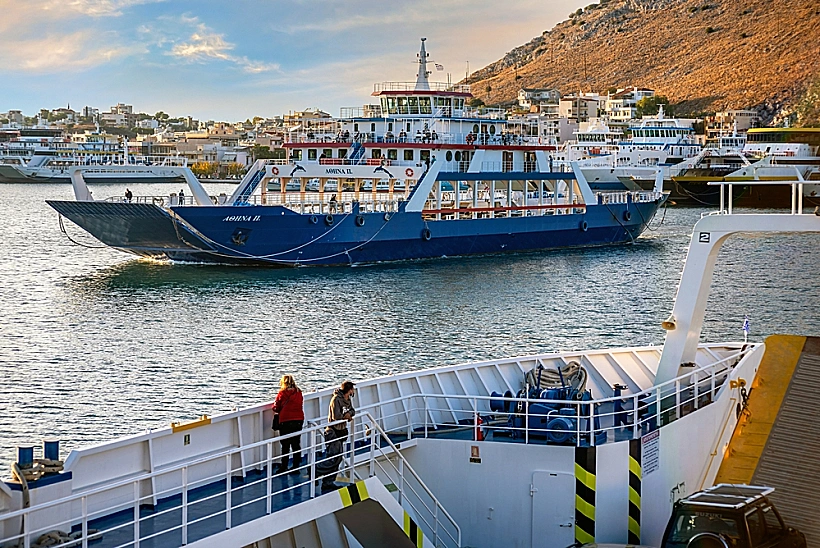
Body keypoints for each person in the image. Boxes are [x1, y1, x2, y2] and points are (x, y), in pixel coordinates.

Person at [318, 380, 355, 490]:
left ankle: (328, 482)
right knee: (333, 458)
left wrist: (349, 414)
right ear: (349, 390)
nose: (353, 391)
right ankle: (315, 470)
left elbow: (353, 411)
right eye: (352, 389)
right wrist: (346, 416)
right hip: (333, 431)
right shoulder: (336, 400)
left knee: (338, 459)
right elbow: (336, 417)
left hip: (341, 431)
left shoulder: (348, 400)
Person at [272, 375, 305, 475]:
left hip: (286, 421)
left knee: (285, 445)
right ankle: (296, 466)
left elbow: (276, 407)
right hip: (298, 420)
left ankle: (284, 466)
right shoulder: (299, 392)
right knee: (296, 444)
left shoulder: (282, 393)